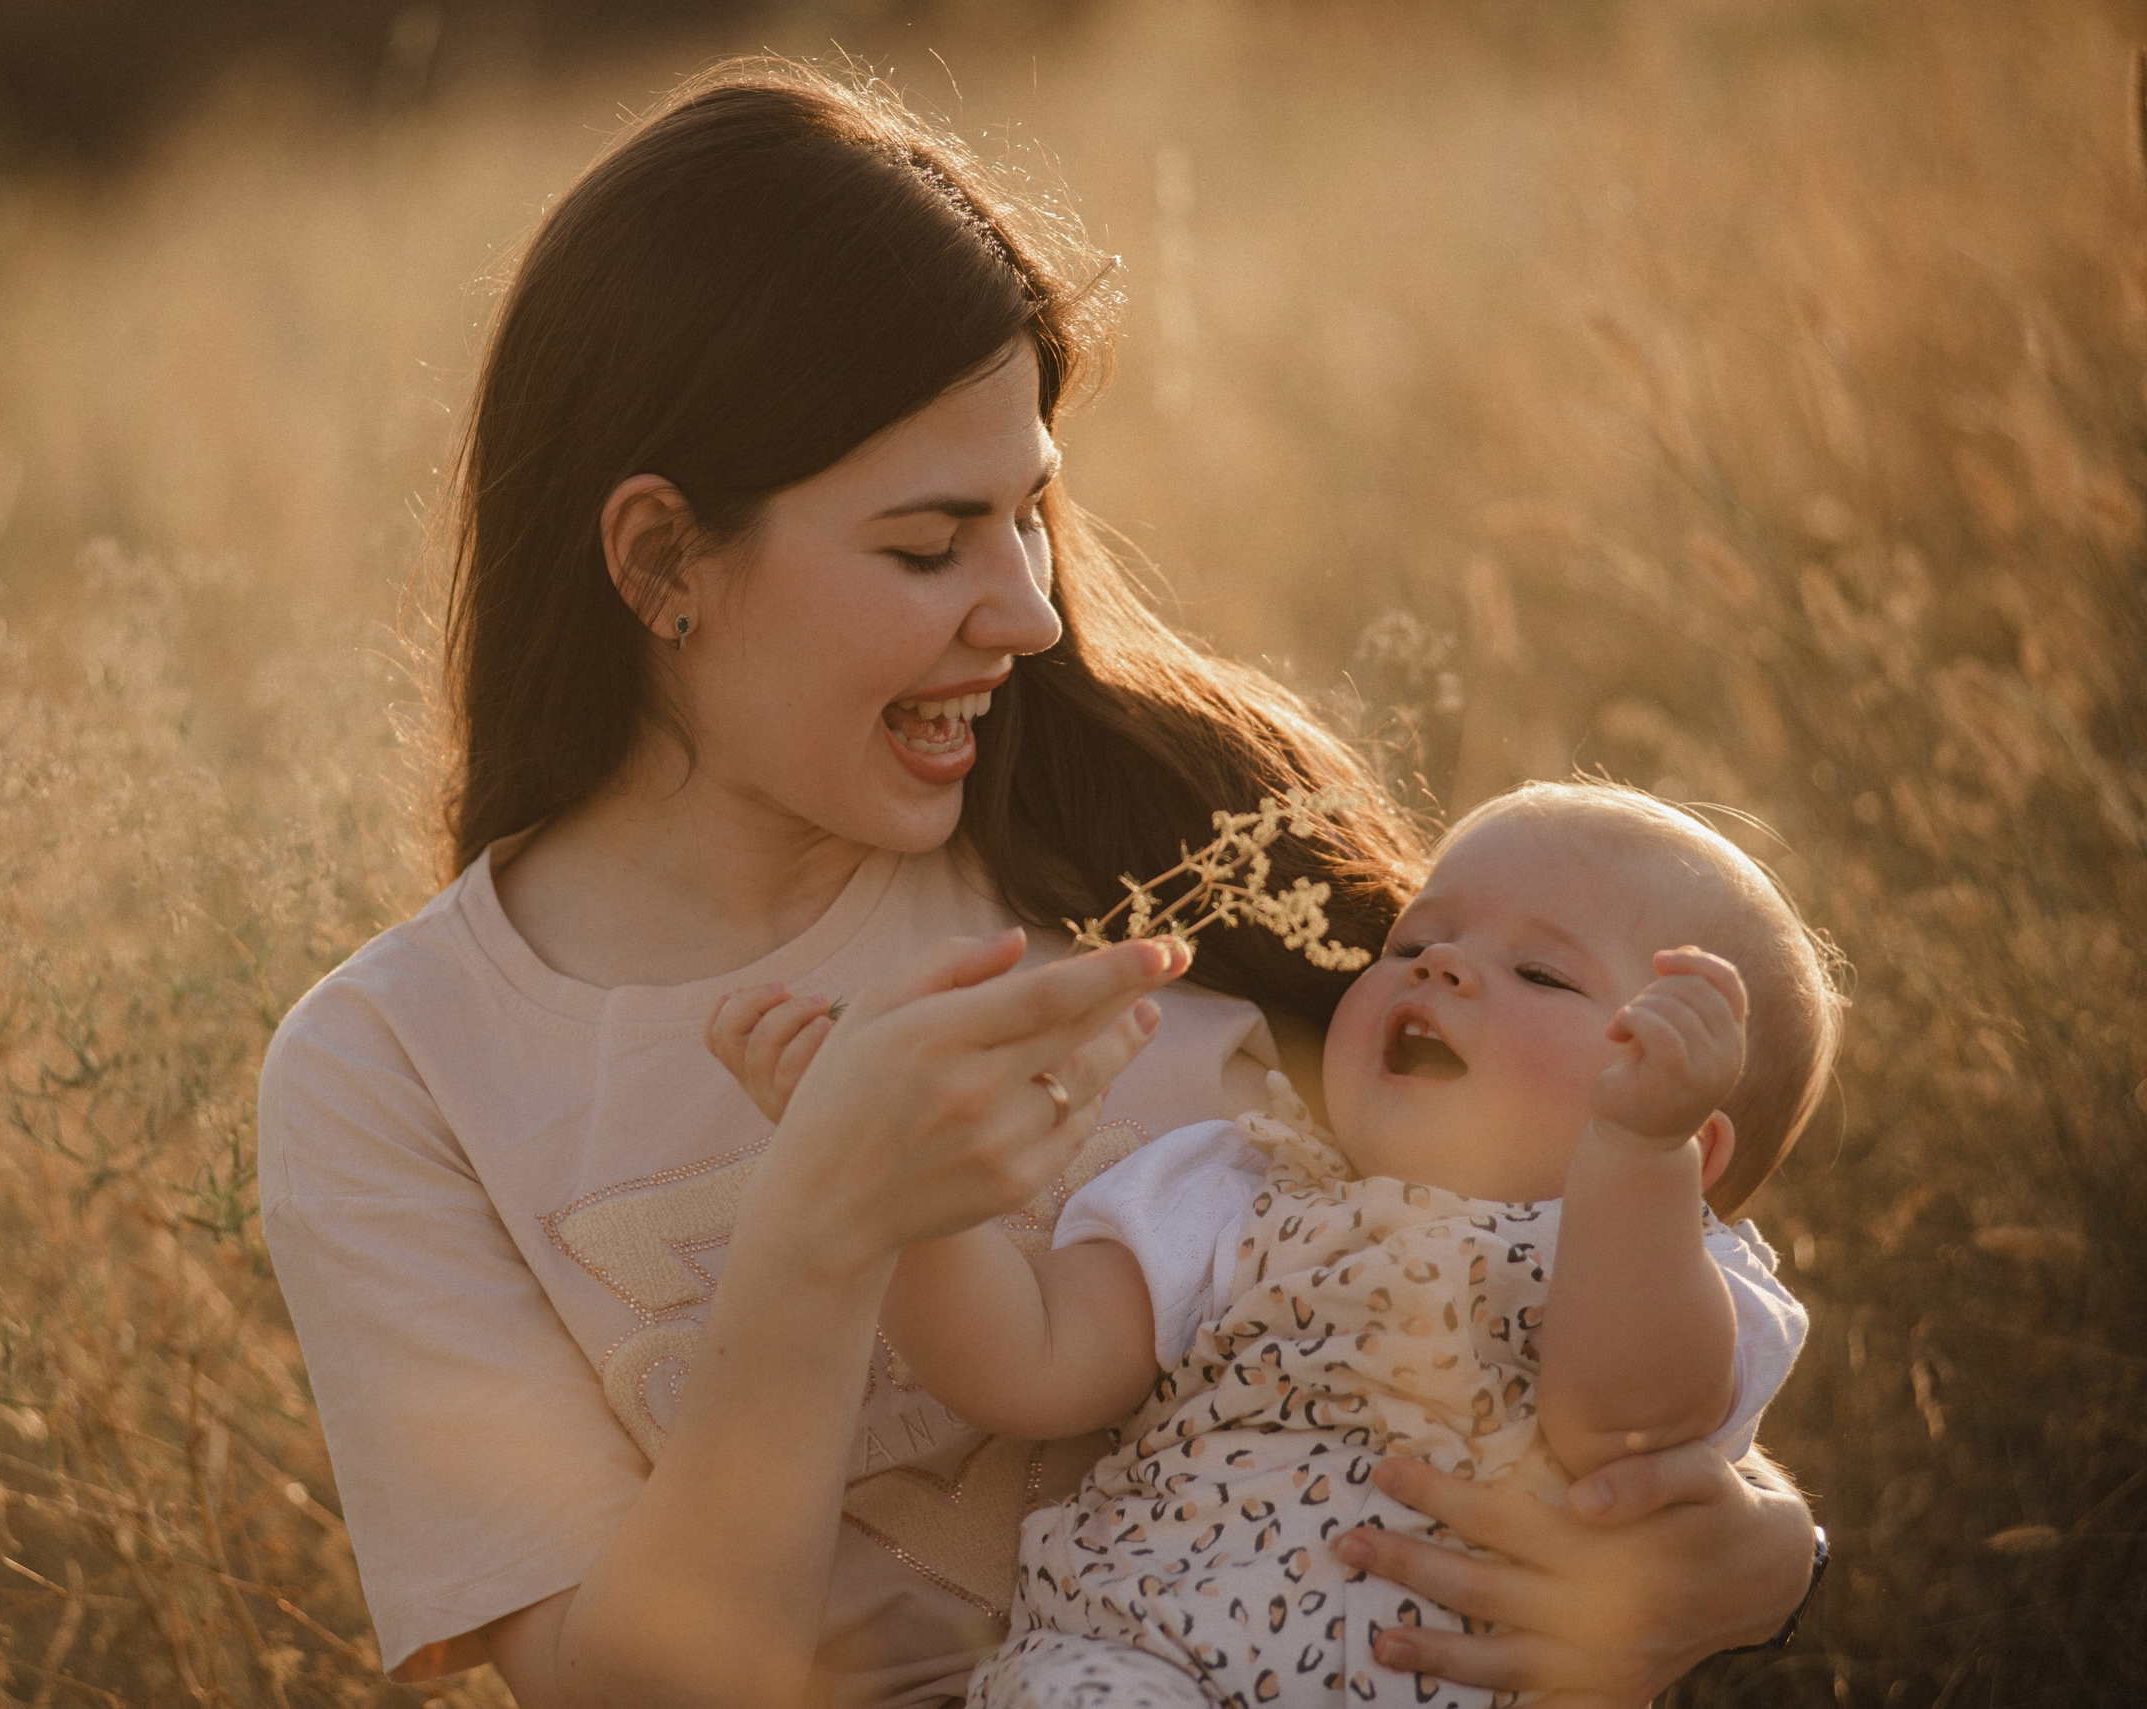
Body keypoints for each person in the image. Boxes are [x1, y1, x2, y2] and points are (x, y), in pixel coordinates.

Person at [255, 60, 1824, 1709]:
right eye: (929, 545)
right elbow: (646, 1684)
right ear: (661, 561)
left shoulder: (1168, 818)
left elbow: (1609, 1202)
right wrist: (827, 1217)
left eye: (1030, 516)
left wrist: (1761, 1546)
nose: (1029, 613)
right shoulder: (395, 1070)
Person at [710, 781, 1840, 1706]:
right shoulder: (1241, 1183)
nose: (1443, 968)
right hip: (1141, 1664)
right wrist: (884, 1171)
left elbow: (1621, 1420)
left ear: (1694, 1147)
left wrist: (1631, 1169)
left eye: (1540, 972)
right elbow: (1032, 1358)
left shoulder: (1671, 1268)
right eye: (1419, 939)